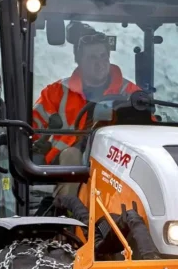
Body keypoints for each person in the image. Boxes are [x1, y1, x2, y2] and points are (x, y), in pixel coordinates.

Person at [31, 22, 139, 165]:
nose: (99, 63)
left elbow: (147, 132)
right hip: (62, 169)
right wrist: (40, 145)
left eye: (103, 56)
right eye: (92, 57)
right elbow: (29, 131)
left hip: (116, 165)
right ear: (79, 61)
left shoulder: (131, 94)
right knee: (72, 155)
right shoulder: (56, 93)